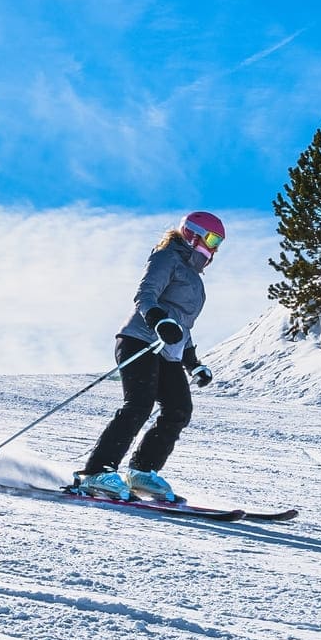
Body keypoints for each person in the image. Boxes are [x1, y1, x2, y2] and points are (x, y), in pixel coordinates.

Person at [74, 212, 224, 502]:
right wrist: (158, 320)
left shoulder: (194, 278)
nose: (215, 247)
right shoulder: (166, 257)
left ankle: (142, 470)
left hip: (167, 351)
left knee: (179, 408)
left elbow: (182, 325)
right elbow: (145, 295)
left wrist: (194, 364)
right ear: (194, 234)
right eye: (213, 239)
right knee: (139, 404)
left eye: (219, 242)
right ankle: (96, 472)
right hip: (138, 340)